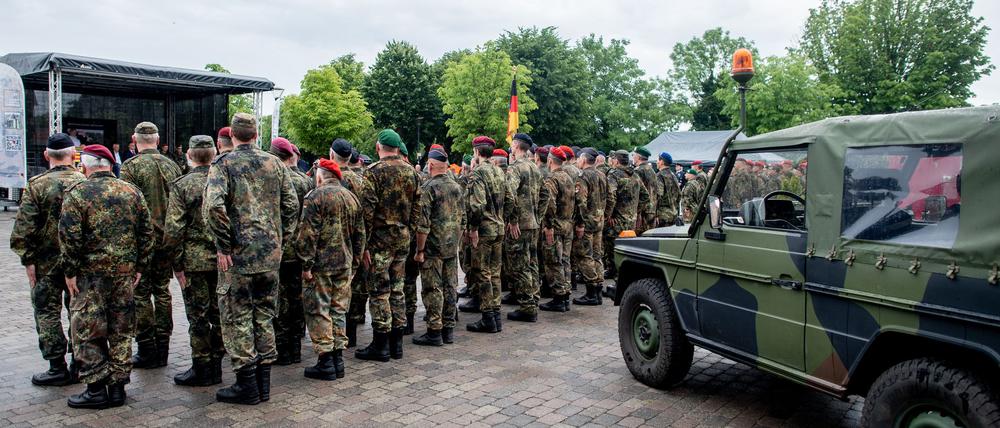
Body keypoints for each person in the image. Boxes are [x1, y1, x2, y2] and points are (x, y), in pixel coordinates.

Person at [204, 113, 299, 405]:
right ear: (256, 135)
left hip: (239, 258)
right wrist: (280, 240)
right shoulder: (274, 163)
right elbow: (292, 205)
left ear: (232, 135)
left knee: (239, 317)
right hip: (269, 256)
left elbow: (213, 207)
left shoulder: (224, 164)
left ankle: (248, 385)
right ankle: (263, 384)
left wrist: (224, 245)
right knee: (265, 315)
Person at [59, 144, 153, 408]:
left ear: (87, 165)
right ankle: (118, 387)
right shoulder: (131, 192)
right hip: (123, 275)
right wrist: (139, 267)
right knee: (121, 329)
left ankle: (96, 389)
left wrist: (70, 271)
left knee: (89, 329)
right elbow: (146, 234)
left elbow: (69, 237)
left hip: (89, 277)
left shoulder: (78, 193)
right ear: (110, 165)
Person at [11, 133, 86, 387]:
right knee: (79, 310)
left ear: (46, 155)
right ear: (73, 155)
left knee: (46, 312)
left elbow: (23, 228)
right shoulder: (84, 181)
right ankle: (80, 362)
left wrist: (28, 260)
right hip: (78, 262)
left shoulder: (37, 185)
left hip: (46, 262)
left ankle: (57, 367)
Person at [162, 135, 225, 387]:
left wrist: (176, 263)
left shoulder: (182, 185)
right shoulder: (224, 181)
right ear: (213, 153)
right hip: (223, 260)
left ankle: (202, 366)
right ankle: (217, 366)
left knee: (198, 316)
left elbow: (173, 228)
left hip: (195, 263)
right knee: (220, 314)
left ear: (189, 155)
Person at [120, 122, 182, 369]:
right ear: (156, 140)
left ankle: (147, 348)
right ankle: (163, 347)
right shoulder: (172, 165)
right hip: (168, 239)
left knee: (141, 293)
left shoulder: (130, 167)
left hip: (142, 241)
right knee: (163, 291)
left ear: (135, 140)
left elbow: (127, 207)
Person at [356, 129, 421, 362]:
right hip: (402, 239)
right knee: (397, 290)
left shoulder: (373, 172)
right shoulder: (411, 172)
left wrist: (363, 245)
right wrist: (409, 232)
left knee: (379, 291)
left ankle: (381, 344)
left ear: (378, 147)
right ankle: (397, 345)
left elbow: (367, 212)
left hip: (379, 242)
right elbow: (417, 209)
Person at [298, 159, 365, 381]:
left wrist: (306, 264)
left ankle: (325, 360)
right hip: (344, 264)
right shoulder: (351, 198)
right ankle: (337, 359)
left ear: (320, 175)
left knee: (319, 309)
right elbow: (360, 235)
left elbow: (308, 234)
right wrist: (355, 263)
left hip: (321, 265)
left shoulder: (315, 197)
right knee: (338, 309)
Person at [269, 137, 314, 366]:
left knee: (281, 301)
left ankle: (283, 348)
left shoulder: (276, 179)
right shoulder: (305, 182)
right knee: (296, 299)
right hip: (301, 249)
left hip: (281, 249)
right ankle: (295, 345)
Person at [412, 149, 464, 345]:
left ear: (431, 165)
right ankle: (448, 329)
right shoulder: (456, 187)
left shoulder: (429, 188)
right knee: (450, 287)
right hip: (451, 247)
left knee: (433, 288)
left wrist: (419, 251)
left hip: (433, 249)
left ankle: (434, 330)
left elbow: (423, 225)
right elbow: (463, 219)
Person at [464, 136, 515, 333]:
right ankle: (495, 315)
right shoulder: (499, 171)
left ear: (476, 152)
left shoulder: (478, 173)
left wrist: (474, 228)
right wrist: (502, 217)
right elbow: (511, 199)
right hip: (499, 227)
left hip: (484, 230)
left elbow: (477, 206)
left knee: (483, 273)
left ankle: (488, 317)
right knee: (495, 273)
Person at [331, 139, 370, 348]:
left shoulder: (327, 180)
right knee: (355, 287)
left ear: (332, 155)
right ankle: (351, 333)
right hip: (355, 242)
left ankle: (336, 339)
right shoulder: (360, 181)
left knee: (334, 294)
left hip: (332, 246)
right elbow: (367, 215)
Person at [505, 133, 542, 322]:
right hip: (533, 223)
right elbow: (545, 196)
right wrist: (539, 216)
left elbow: (509, 193)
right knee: (532, 263)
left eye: (512, 144)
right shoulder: (535, 168)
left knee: (520, 266)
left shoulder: (516, 168)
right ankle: (533, 299)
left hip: (520, 225)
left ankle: (527, 306)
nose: (510, 147)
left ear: (517, 146)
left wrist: (512, 220)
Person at [602, 150, 650, 296]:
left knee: (614, 253)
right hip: (631, 221)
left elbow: (611, 196)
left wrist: (607, 215)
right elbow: (645, 196)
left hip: (616, 221)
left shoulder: (614, 174)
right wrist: (634, 212)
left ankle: (618, 287)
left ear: (616, 160)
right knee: (625, 252)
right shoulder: (634, 175)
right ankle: (622, 285)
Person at [537, 146, 576, 312]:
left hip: (557, 225)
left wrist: (548, 225)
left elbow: (549, 204)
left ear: (551, 161)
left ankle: (559, 297)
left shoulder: (552, 179)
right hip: (568, 224)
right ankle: (565, 295)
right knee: (565, 260)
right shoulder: (568, 177)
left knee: (554, 261)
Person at [573, 148, 612, 305]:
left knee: (585, 255)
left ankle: (591, 291)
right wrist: (606, 214)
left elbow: (580, 202)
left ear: (583, 159)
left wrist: (580, 223)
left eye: (578, 159)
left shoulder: (583, 176)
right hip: (599, 220)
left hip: (588, 222)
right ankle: (597, 290)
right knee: (597, 255)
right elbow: (610, 197)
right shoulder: (602, 175)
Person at [632, 147, 659, 234]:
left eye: (634, 155)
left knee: (639, 238)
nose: (632, 157)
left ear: (638, 157)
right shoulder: (652, 170)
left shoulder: (638, 170)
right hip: (652, 209)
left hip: (642, 211)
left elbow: (635, 192)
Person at [655, 152, 682, 227]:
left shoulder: (659, 176)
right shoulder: (673, 175)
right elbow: (679, 194)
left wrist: (655, 214)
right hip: (673, 214)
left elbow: (658, 196)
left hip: (662, 216)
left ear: (662, 162)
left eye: (658, 160)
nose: (656, 162)